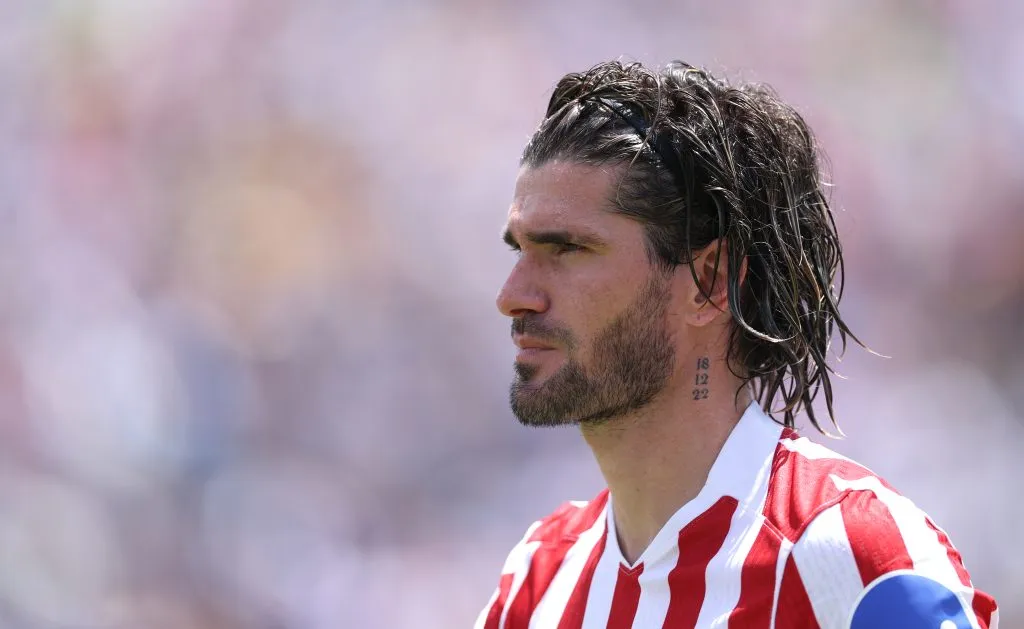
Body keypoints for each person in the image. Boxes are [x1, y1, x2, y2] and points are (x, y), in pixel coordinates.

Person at [475, 60, 999, 629]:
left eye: (568, 250)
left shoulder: (852, 553)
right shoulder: (539, 579)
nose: (513, 295)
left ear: (708, 283)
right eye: (518, 250)